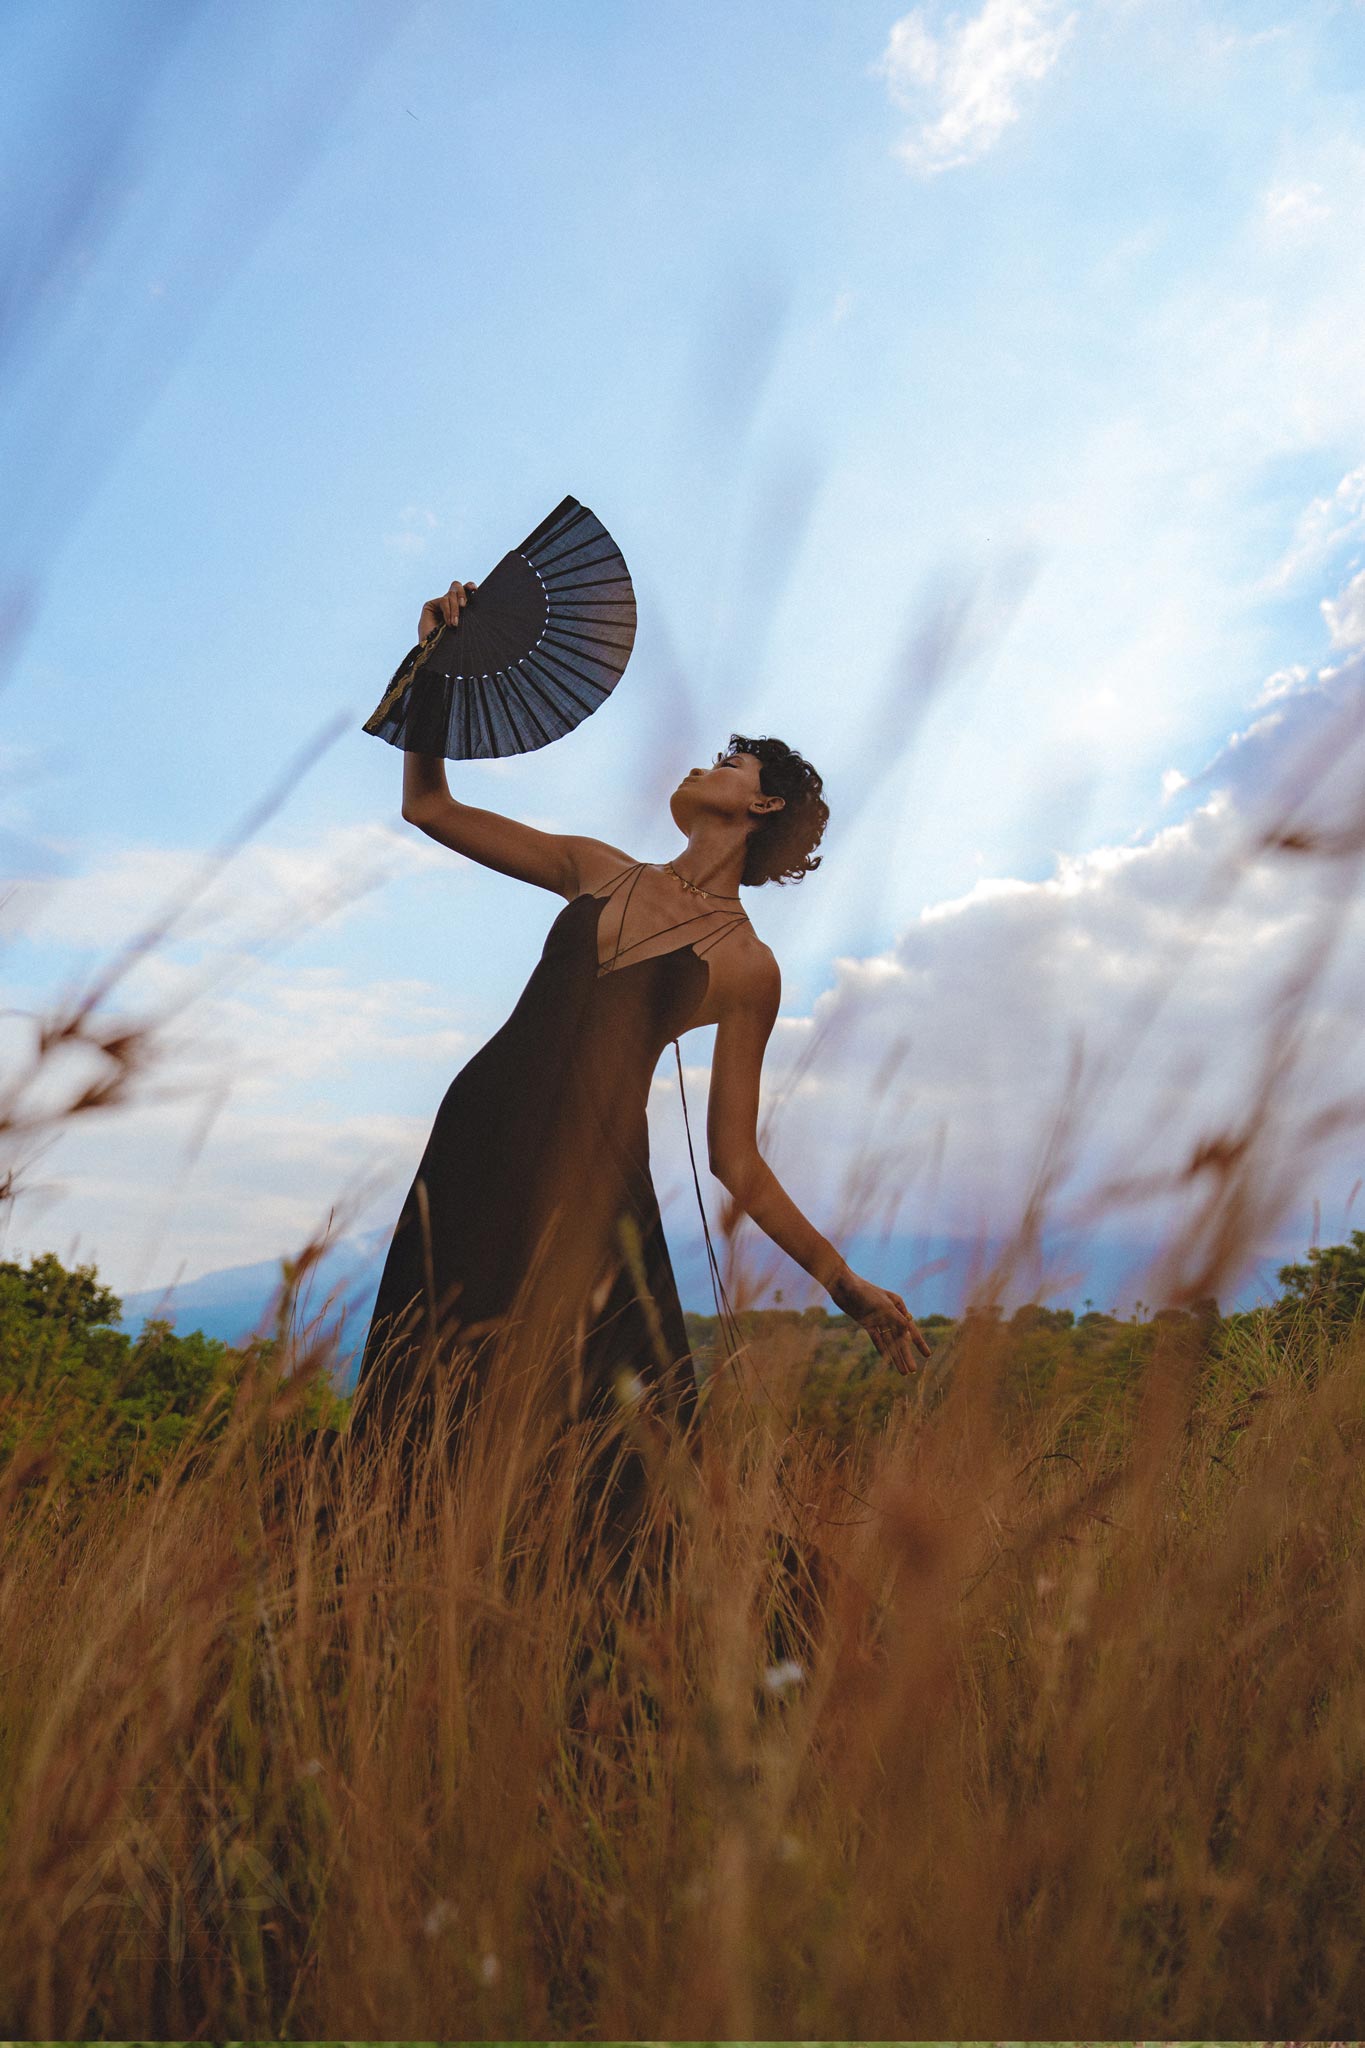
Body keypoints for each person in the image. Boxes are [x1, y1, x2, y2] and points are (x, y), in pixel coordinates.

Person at [348, 576, 932, 1542]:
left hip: (595, 1183)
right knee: (431, 1391)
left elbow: (734, 1160)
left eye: (729, 762)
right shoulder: (592, 866)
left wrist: (845, 1284)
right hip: (478, 1142)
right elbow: (428, 806)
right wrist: (436, 668)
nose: (705, 764)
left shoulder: (748, 969)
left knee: (623, 1443)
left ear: (763, 802)